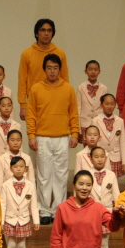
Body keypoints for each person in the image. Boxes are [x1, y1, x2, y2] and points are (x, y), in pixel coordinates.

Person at [26, 53, 79, 225]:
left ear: (60, 70)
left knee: (61, 175)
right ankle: (44, 210)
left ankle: (59, 210)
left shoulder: (68, 89)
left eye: (55, 68)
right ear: (44, 69)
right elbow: (31, 114)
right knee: (43, 175)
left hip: (63, 137)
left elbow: (73, 113)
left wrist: (75, 133)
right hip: (42, 137)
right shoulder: (36, 88)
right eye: (49, 68)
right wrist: (31, 135)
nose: (52, 71)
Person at [17, 19, 69, 120]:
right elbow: (22, 81)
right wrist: (23, 105)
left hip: (56, 100)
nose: (46, 33)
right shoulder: (27, 54)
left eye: (49, 30)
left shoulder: (60, 53)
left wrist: (66, 101)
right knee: (34, 129)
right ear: (36, 33)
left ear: (53, 33)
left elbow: (65, 78)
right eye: (43, 30)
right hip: (34, 100)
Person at [0, 156, 38, 248]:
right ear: (11, 168)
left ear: (26, 168)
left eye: (21, 166)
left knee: (21, 245)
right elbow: (3, 204)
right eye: (15, 167)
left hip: (24, 219)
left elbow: (34, 203)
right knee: (11, 244)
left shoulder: (30, 185)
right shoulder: (6, 185)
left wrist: (36, 220)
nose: (19, 169)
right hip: (10, 218)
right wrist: (1, 221)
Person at [86, 146, 119, 248]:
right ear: (90, 158)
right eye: (96, 157)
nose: (99, 159)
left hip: (106, 212)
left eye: (102, 156)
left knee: (104, 242)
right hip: (90, 213)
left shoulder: (111, 175)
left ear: (106, 158)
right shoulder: (86, 174)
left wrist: (118, 211)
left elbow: (116, 195)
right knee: (90, 242)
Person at [93, 94, 125, 178]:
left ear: (115, 105)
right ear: (101, 105)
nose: (109, 106)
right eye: (107, 104)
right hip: (101, 157)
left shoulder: (120, 121)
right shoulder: (95, 121)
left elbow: (123, 142)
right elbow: (93, 142)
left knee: (114, 181)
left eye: (112, 104)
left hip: (115, 157)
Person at [76, 60, 108, 138]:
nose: (93, 72)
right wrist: (78, 129)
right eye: (90, 69)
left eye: (95, 69)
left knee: (99, 144)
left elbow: (105, 108)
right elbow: (78, 108)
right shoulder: (80, 88)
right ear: (85, 71)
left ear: (99, 71)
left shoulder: (104, 88)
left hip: (99, 123)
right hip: (84, 123)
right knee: (86, 145)